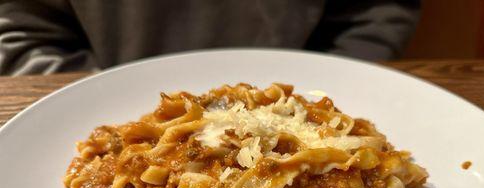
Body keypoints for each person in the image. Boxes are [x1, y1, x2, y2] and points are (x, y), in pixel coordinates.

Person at [0, 0, 420, 75]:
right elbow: (20, 32)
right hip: (100, 97)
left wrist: (324, 90)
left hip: (300, 104)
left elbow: (374, 16)